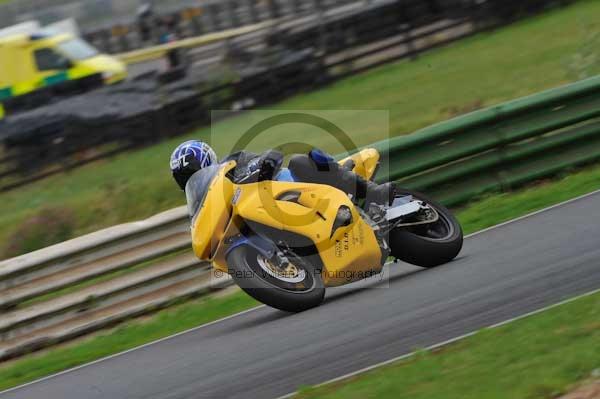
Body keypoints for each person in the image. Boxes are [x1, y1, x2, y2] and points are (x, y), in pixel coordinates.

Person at [169, 140, 394, 207]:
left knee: (300, 162)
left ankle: (374, 192)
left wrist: (263, 165)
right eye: (185, 177)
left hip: (294, 188)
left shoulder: (233, 163)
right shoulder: (210, 204)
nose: (191, 178)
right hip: (271, 212)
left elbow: (272, 153)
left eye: (192, 172)